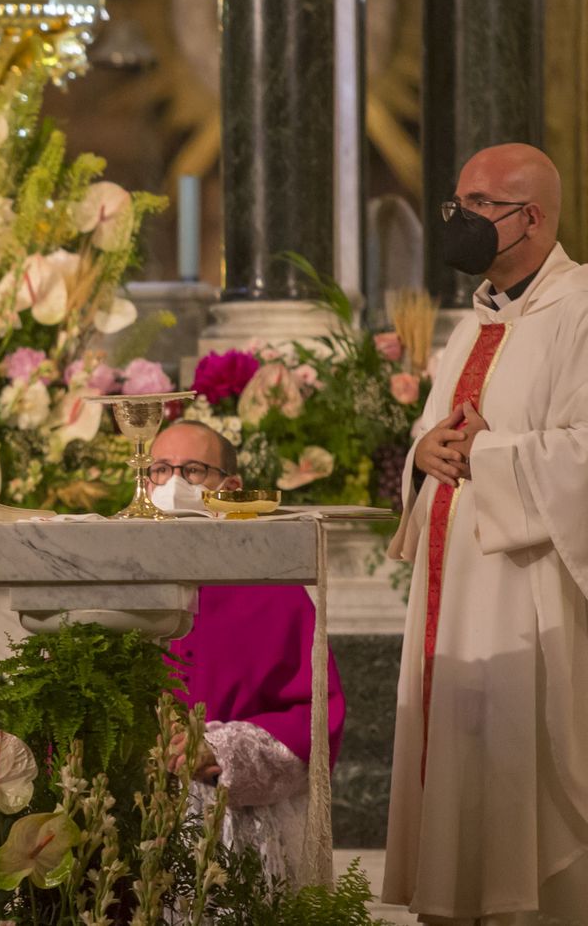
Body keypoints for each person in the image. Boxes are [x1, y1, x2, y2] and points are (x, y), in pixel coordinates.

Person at [385, 143, 588, 922]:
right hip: (451, 594)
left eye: (477, 206)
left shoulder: (577, 313)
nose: (458, 221)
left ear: (530, 218)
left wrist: (489, 454)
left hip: (525, 596)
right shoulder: (476, 322)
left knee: (519, 767)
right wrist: (421, 452)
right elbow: (440, 433)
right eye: (455, 204)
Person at [150, 421, 346, 883]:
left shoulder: (274, 590)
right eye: (159, 470)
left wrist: (215, 749)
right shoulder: (112, 583)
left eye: (193, 470)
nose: (173, 485)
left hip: (239, 833)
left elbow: (316, 718)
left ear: (231, 489)